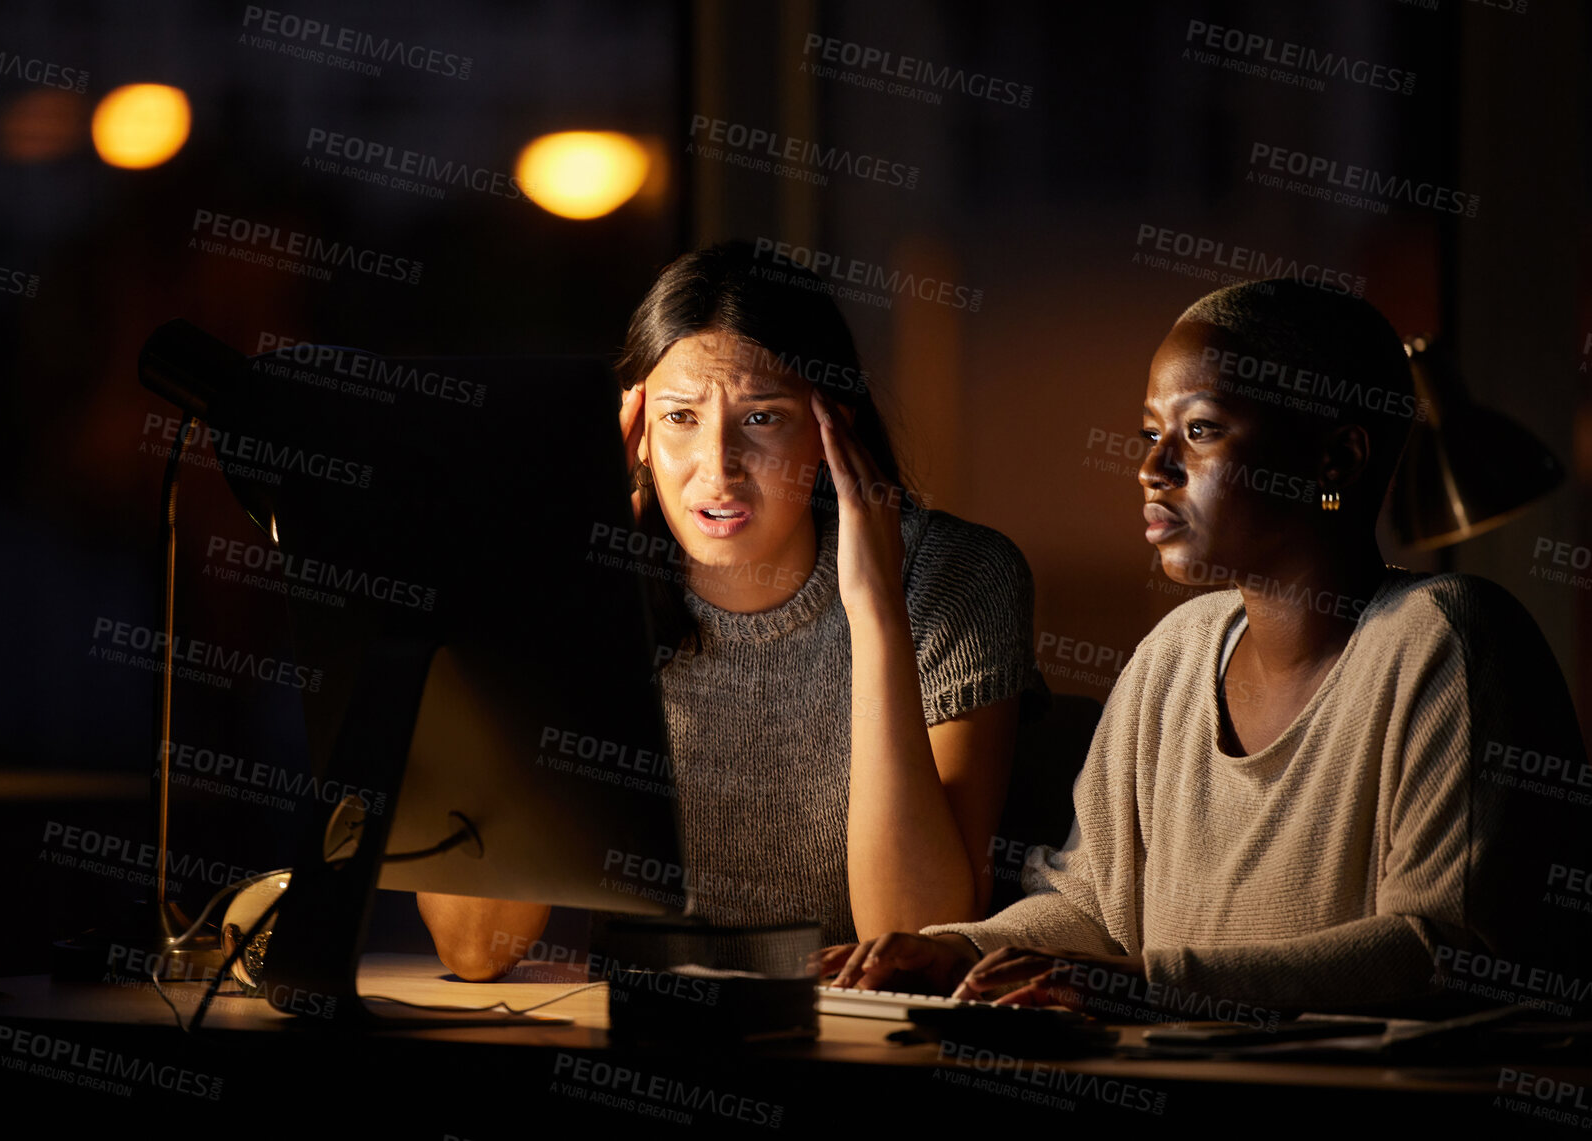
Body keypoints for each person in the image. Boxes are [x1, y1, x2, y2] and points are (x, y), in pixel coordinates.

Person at [823, 279, 1589, 1019]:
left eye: (1199, 430)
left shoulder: (1447, 642)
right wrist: (955, 951)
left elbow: (1441, 949)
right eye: (1150, 434)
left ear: (1337, 460)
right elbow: (1091, 907)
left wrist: (1153, 984)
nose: (1151, 468)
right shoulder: (1173, 655)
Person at [417, 240, 1046, 980]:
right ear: (638, 432)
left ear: (828, 428)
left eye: (760, 419)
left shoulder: (956, 576)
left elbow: (909, 939)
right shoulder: (574, 579)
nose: (717, 468)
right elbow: (473, 947)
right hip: (636, 1033)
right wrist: (553, 587)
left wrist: (875, 610)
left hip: (854, 1044)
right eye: (680, 417)